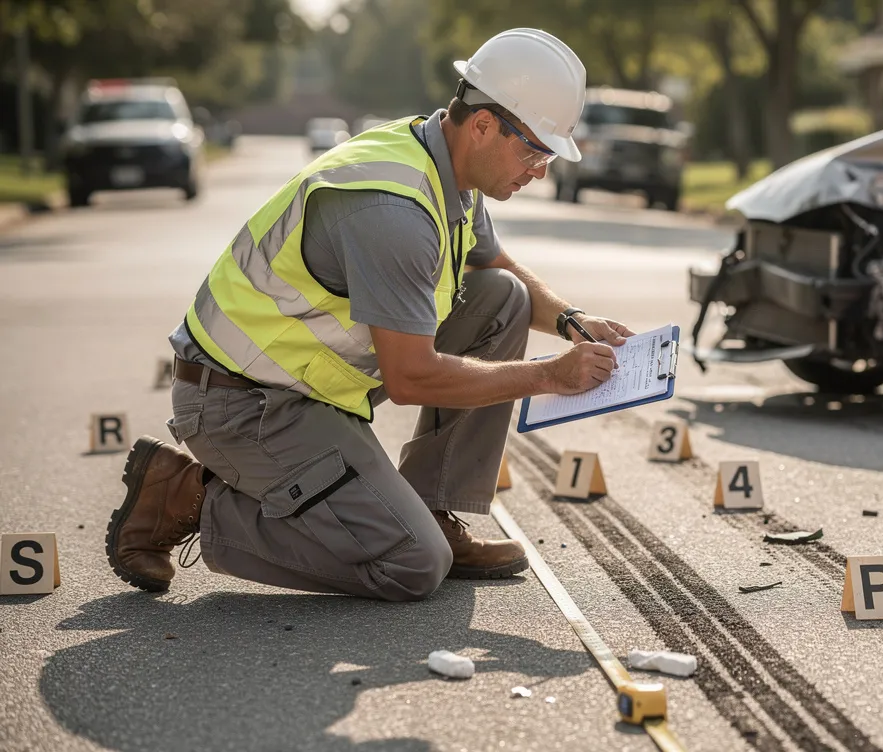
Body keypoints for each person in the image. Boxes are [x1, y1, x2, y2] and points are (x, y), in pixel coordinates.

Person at [104, 28, 632, 601]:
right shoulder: (391, 209)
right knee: (410, 566)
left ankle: (432, 510)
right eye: (535, 150)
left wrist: (568, 319)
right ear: (483, 124)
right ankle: (188, 496)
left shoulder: (448, 164)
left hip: (303, 386)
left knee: (505, 296)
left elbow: (493, 264)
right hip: (242, 404)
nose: (540, 171)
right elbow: (410, 378)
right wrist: (552, 375)